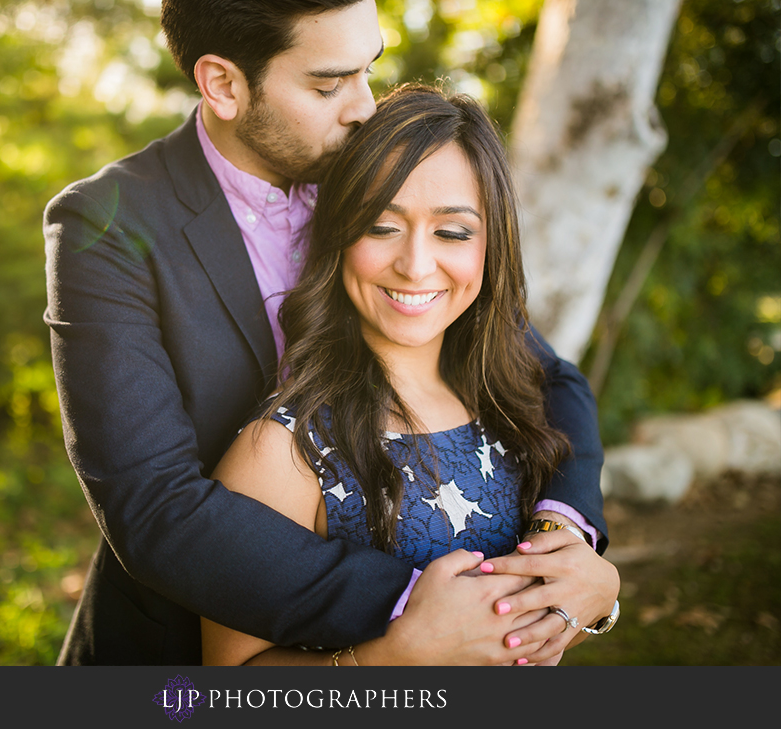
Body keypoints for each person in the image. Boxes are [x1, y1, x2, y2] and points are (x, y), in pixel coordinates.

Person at [44, 0, 613, 666]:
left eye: (368, 69)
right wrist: (421, 599)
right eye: (328, 84)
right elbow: (156, 511)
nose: (364, 107)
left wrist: (564, 535)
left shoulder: (374, 172)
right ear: (223, 84)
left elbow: (547, 375)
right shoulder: (108, 226)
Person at [201, 84, 620, 665]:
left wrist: (598, 592)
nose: (416, 265)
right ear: (340, 237)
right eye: (381, 226)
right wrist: (389, 661)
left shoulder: (516, 404)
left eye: (452, 232)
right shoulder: (282, 451)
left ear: (490, 247)